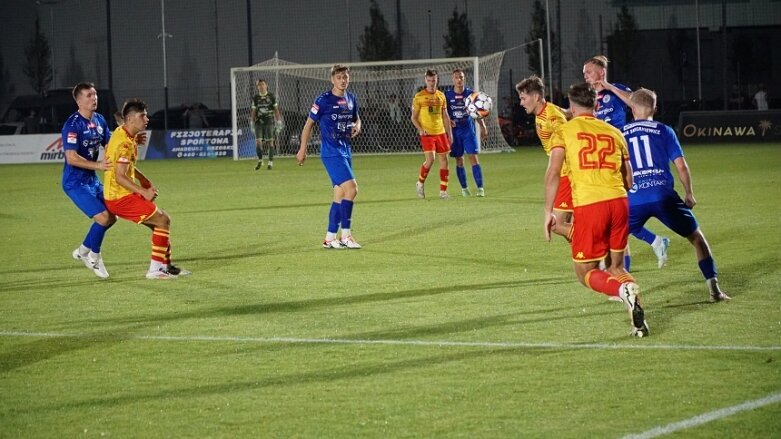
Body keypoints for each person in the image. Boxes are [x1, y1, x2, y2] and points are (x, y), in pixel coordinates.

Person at [544, 82, 648, 337]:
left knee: (586, 272)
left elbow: (554, 172)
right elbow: (629, 181)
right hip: (620, 203)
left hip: (591, 205)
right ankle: (639, 321)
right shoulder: (615, 132)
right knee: (617, 268)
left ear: (570, 106)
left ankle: (621, 292)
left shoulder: (564, 132)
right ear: (597, 105)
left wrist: (548, 211)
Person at [624, 88, 731, 302]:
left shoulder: (620, 132)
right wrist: (689, 193)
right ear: (655, 108)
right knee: (697, 239)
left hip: (634, 197)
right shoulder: (664, 130)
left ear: (632, 109)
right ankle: (714, 290)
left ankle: (623, 291)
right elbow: (681, 166)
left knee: (618, 238)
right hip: (664, 196)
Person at [583, 55, 669, 270]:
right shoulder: (587, 97)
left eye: (589, 72)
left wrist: (609, 87)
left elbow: (638, 104)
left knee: (618, 214)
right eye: (584, 73)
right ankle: (654, 242)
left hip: (622, 156)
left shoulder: (616, 90)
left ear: (601, 73)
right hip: (600, 158)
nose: (585, 76)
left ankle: (621, 269)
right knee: (614, 213)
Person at [103, 98, 190, 279]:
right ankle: (155, 270)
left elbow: (127, 168)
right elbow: (119, 176)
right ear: (131, 119)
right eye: (142, 116)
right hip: (119, 198)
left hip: (122, 194)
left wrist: (144, 180)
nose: (147, 119)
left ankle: (166, 267)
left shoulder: (125, 134)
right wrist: (142, 191)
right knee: (162, 220)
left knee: (160, 222)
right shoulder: (124, 143)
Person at [296, 64, 362, 249]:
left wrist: (358, 125)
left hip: (345, 150)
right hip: (331, 152)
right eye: (339, 77)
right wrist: (303, 149)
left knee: (340, 196)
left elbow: (357, 118)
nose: (343, 80)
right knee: (352, 189)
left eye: (345, 77)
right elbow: (308, 125)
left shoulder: (351, 99)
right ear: (332, 79)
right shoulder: (323, 100)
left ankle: (330, 238)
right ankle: (346, 236)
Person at [62, 82, 115, 279]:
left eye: (95, 94)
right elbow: (72, 158)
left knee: (113, 216)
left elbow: (109, 144)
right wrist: (99, 165)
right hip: (75, 183)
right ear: (78, 100)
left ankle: (84, 250)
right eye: (89, 95)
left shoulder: (99, 120)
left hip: (91, 181)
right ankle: (95, 256)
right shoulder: (73, 125)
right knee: (103, 218)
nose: (94, 98)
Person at [516, 75, 571, 238]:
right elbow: (568, 113)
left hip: (568, 174)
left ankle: (593, 245)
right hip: (565, 174)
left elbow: (567, 136)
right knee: (571, 223)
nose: (521, 103)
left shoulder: (552, 117)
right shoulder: (545, 111)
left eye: (523, 98)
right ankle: (592, 258)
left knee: (557, 224)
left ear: (536, 97)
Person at [411, 69, 453, 199]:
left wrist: (449, 133)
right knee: (430, 160)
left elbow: (445, 116)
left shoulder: (441, 96)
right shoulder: (419, 96)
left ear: (437, 80)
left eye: (433, 80)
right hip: (427, 133)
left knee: (444, 161)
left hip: (440, 132)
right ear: (425, 80)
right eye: (429, 80)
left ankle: (443, 192)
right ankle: (420, 183)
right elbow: (413, 117)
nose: (431, 83)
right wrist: (420, 129)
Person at [445, 69, 487, 197]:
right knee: (459, 160)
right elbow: (443, 114)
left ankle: (480, 188)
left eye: (461, 77)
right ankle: (464, 189)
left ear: (464, 79)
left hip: (468, 130)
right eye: (457, 77)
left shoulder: (471, 94)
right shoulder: (447, 95)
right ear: (453, 79)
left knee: (473, 157)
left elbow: (477, 113)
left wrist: (483, 127)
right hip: (455, 132)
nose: (459, 80)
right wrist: (448, 122)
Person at [250, 79, 282, 170]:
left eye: (263, 84)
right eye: (259, 85)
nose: (261, 86)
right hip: (258, 123)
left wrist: (279, 121)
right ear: (257, 87)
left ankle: (270, 162)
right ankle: (260, 160)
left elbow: (276, 109)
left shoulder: (271, 96)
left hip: (269, 122)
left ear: (266, 85)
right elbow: (253, 111)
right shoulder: (256, 98)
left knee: (270, 142)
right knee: (258, 143)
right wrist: (252, 122)